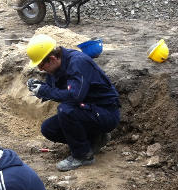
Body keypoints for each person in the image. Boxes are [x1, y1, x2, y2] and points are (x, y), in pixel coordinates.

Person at [25, 34, 120, 171]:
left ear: (52, 58)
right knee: (48, 128)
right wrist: (40, 88)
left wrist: (46, 91)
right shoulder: (57, 67)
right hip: (88, 110)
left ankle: (82, 156)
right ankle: (95, 140)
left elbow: (75, 96)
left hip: (106, 113)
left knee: (66, 110)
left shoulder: (77, 62)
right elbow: (56, 90)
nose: (40, 69)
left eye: (41, 64)